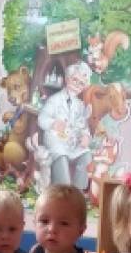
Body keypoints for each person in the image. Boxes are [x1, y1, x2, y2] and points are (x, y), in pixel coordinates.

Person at [37, 61, 92, 190]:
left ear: (84, 87)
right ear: (67, 79)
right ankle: (63, 189)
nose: (77, 85)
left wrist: (86, 136)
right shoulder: (54, 100)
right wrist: (53, 123)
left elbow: (83, 125)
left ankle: (78, 191)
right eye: (75, 80)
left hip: (72, 143)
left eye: (81, 83)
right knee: (61, 156)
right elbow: (42, 119)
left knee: (86, 155)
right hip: (56, 141)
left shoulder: (80, 105)